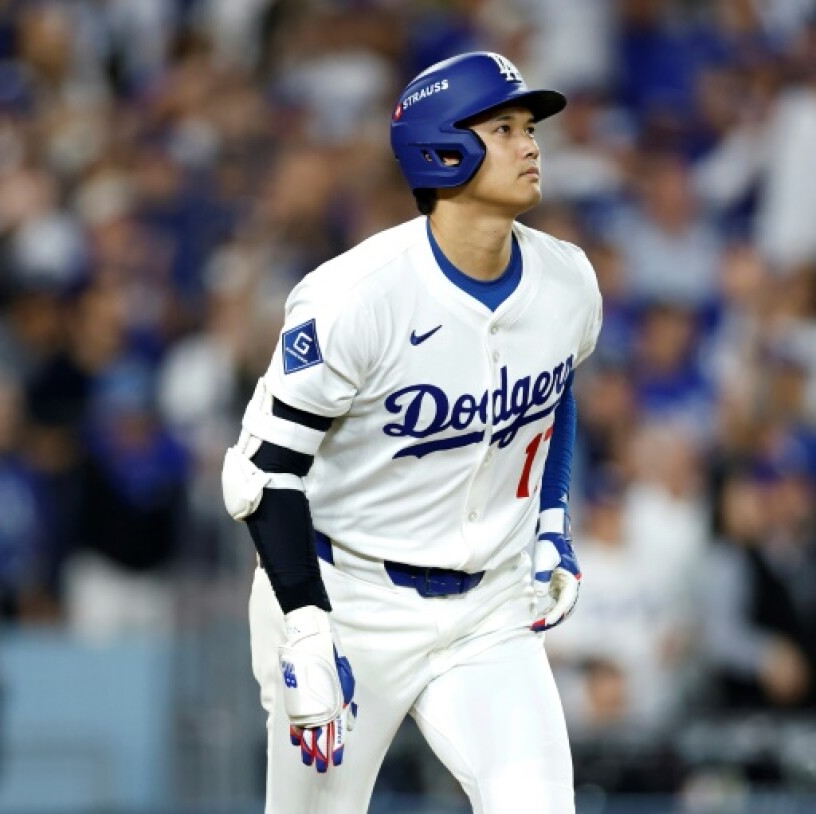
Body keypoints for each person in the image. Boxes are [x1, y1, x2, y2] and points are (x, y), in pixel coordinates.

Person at [222, 52, 601, 813]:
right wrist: (304, 625)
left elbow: (552, 396)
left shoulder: (567, 281)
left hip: (488, 610)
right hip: (348, 596)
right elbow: (263, 475)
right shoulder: (356, 297)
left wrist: (551, 523)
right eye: (504, 128)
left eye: (530, 128)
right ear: (442, 148)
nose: (531, 145)